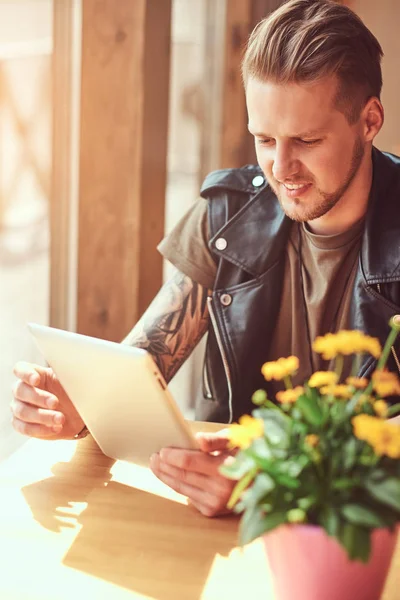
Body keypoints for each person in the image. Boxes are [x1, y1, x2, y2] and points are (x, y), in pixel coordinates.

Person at [11, 0, 400, 517]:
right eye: (264, 139)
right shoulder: (227, 219)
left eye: (306, 140)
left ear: (369, 120)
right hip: (219, 531)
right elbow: (142, 363)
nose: (281, 167)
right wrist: (79, 405)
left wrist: (271, 471)